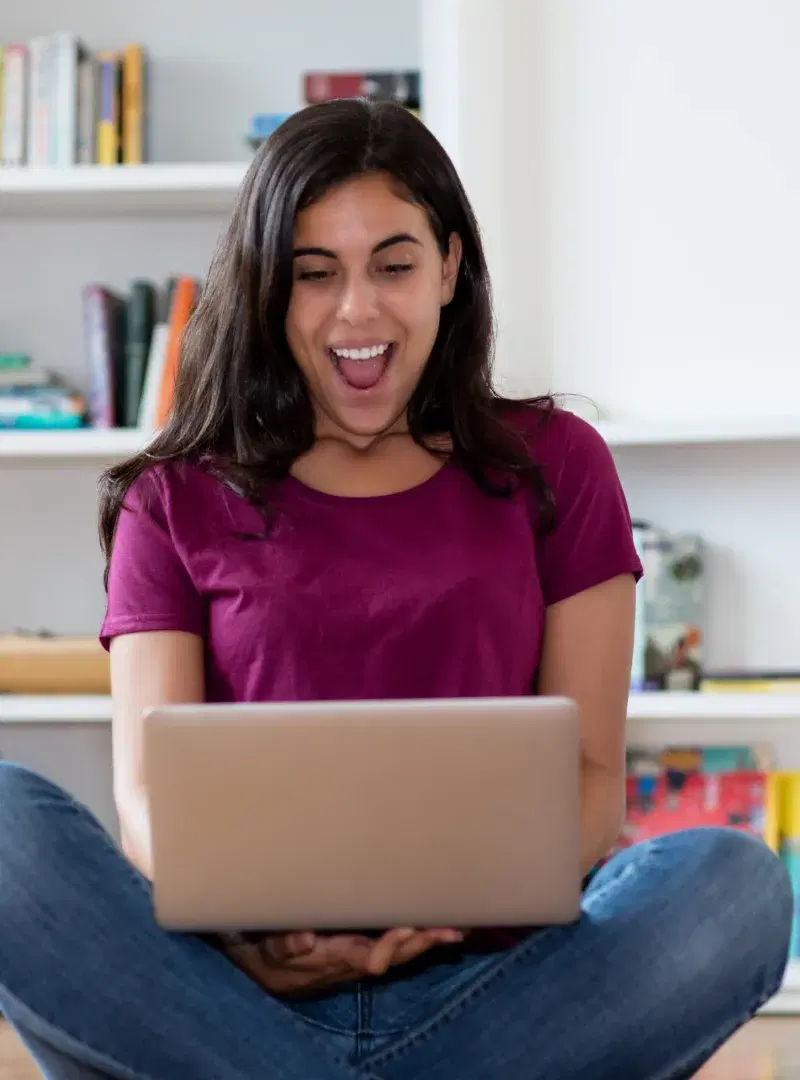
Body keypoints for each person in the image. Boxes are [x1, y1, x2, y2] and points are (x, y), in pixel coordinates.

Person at [0, 99, 790, 1080]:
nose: (356, 312)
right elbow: (150, 807)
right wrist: (266, 934)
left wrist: (456, 889)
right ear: (264, 290)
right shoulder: (174, 498)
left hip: (502, 993)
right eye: (313, 274)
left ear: (450, 268)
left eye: (394, 264)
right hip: (234, 991)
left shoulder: (557, 465)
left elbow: (588, 785)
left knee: (731, 883)